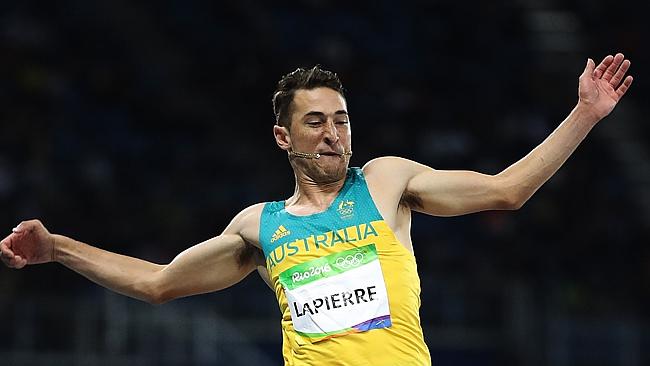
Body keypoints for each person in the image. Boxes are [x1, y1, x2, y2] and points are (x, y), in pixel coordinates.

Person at [1, 53, 634, 365]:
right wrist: (59, 248)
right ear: (285, 137)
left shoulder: (386, 182)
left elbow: (505, 190)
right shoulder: (260, 227)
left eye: (341, 120)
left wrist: (583, 114)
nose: (334, 134)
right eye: (315, 122)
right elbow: (161, 282)